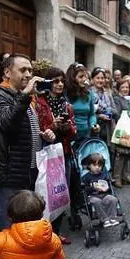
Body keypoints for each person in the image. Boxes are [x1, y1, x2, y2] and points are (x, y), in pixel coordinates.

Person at [0, 53, 56, 259]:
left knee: (18, 229)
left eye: (30, 70)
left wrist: (43, 136)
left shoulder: (24, 98)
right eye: (22, 70)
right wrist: (24, 97)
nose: (28, 75)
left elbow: (22, 133)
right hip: (7, 177)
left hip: (26, 172)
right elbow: (6, 123)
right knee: (2, 229)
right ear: (6, 73)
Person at [35, 66, 76, 245]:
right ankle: (43, 232)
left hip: (63, 154)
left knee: (60, 194)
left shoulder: (67, 105)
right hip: (45, 155)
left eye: (61, 81)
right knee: (45, 194)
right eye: (55, 81)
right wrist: (53, 125)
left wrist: (68, 128)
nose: (59, 84)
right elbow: (39, 130)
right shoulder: (39, 103)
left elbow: (74, 132)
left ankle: (56, 233)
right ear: (48, 83)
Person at [81, 153, 120, 227]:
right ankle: (105, 219)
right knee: (96, 202)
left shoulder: (104, 175)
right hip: (93, 196)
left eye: (99, 165)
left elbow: (109, 185)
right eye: (94, 165)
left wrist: (107, 187)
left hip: (105, 194)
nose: (97, 167)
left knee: (113, 199)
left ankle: (112, 218)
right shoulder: (86, 177)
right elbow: (85, 189)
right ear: (89, 165)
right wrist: (93, 188)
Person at [65, 63, 100, 140]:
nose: (84, 79)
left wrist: (93, 124)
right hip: (70, 137)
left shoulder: (89, 93)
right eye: (81, 77)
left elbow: (92, 114)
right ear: (73, 78)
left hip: (86, 136)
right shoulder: (65, 94)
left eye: (85, 76)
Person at [112, 78, 130, 188]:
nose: (125, 89)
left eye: (127, 87)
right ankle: (117, 177)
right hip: (121, 128)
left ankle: (125, 175)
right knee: (120, 154)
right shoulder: (117, 99)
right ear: (118, 89)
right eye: (123, 87)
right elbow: (117, 113)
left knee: (129, 153)